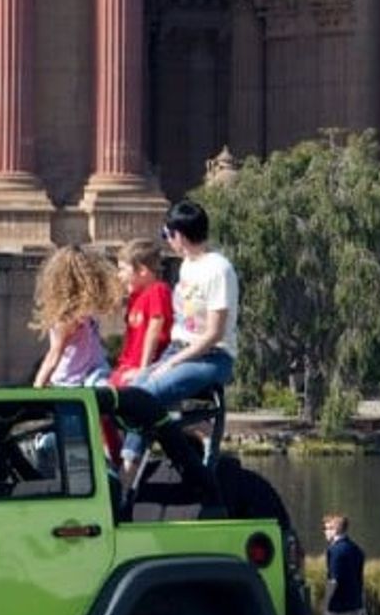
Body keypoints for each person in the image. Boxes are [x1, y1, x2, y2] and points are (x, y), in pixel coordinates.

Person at [125, 200, 238, 472]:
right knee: (134, 390)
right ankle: (194, 433)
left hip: (211, 357)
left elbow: (214, 333)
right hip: (179, 350)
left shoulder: (219, 270)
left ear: (179, 235)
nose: (167, 241)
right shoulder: (187, 265)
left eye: (167, 235)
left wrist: (172, 363)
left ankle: (127, 466)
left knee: (146, 395)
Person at [31, 245, 119, 389]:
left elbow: (54, 355)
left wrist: (38, 384)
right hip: (94, 372)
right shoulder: (87, 314)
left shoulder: (67, 319)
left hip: (72, 381)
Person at [109, 237, 174, 387]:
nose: (119, 276)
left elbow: (154, 330)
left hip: (144, 369)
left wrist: (143, 370)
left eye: (123, 270)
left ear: (142, 270)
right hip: (127, 367)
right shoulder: (135, 297)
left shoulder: (158, 291)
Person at [321, 513, 366, 615]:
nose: (324, 532)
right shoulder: (357, 550)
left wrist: (325, 605)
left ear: (335, 530)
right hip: (356, 606)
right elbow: (360, 580)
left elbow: (333, 581)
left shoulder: (334, 551)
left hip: (338, 607)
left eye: (327, 528)